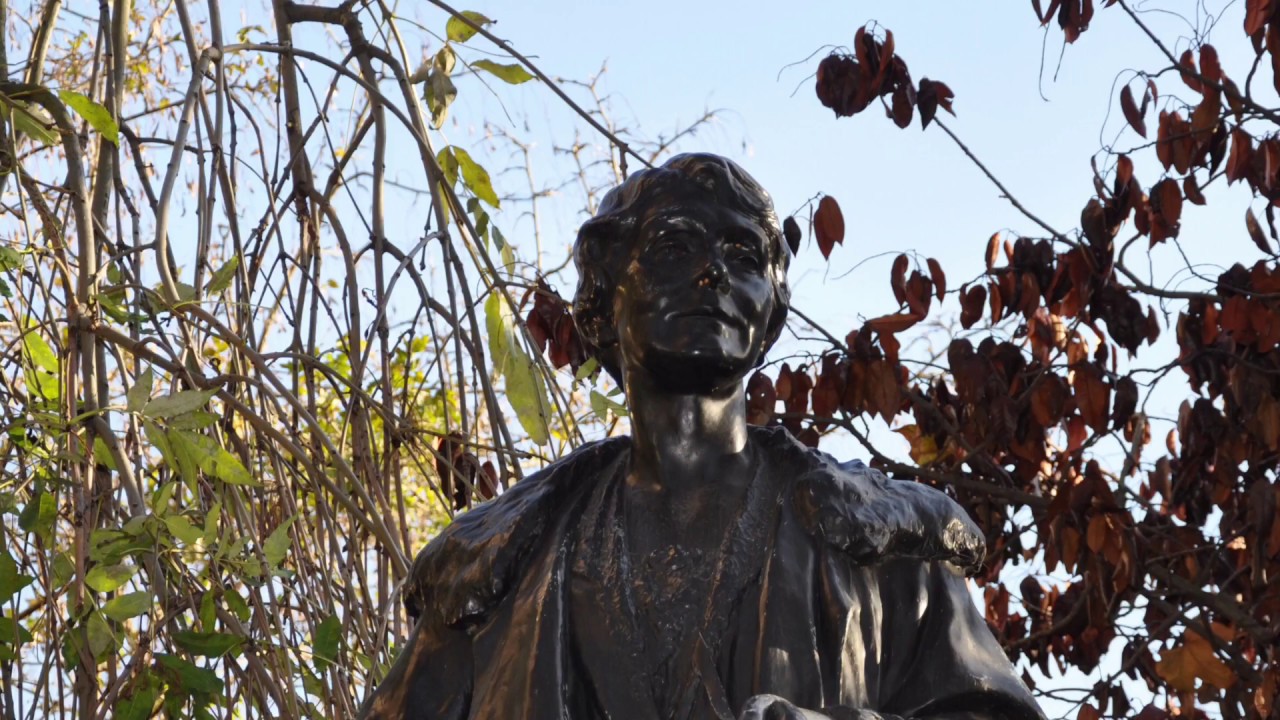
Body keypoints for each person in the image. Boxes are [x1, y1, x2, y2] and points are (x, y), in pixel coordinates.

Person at [360, 153, 1045, 720]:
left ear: (771, 312)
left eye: (743, 254)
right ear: (602, 297)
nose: (714, 271)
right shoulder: (495, 574)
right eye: (675, 245)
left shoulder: (883, 551)